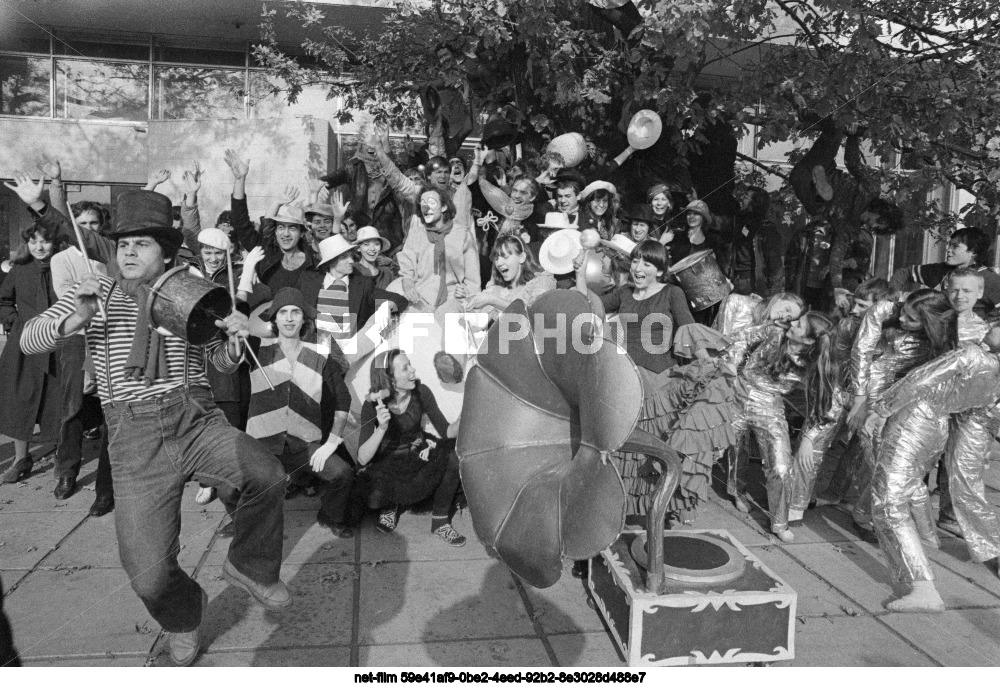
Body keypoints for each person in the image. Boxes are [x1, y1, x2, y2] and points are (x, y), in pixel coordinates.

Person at [15, 187, 290, 666]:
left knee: (265, 474)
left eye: (141, 244)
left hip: (194, 417)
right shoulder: (96, 291)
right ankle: (184, 616)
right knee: (148, 575)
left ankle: (248, 565)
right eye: (123, 244)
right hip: (132, 434)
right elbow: (27, 339)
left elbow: (221, 365)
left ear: (166, 251)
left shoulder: (192, 291)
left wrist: (232, 339)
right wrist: (74, 318)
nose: (128, 252)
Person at [574, 240, 702, 525]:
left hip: (660, 385)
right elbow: (589, 306)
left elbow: (689, 327)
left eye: (647, 263)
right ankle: (622, 513)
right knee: (623, 449)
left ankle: (659, 513)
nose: (639, 268)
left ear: (660, 270)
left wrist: (706, 359)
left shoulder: (673, 293)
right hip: (626, 380)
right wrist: (581, 274)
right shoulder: (624, 293)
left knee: (656, 452)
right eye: (635, 261)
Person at [869, 338, 1000, 611]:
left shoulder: (973, 355)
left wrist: (881, 409)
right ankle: (926, 542)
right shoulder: (990, 370)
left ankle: (922, 586)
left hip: (913, 421)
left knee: (889, 504)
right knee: (912, 488)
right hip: (936, 426)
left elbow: (920, 380)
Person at [844, 289, 954, 543]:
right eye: (904, 312)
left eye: (912, 319)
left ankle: (872, 513)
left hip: (906, 396)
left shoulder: (943, 333)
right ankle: (864, 516)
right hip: (872, 386)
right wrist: (860, 399)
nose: (903, 319)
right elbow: (861, 351)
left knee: (893, 460)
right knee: (874, 453)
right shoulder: (884, 310)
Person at [245, 287, 356, 538]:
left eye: (295, 312)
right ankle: (243, 520)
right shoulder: (255, 348)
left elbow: (342, 398)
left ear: (304, 319)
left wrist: (331, 443)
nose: (289, 318)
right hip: (262, 444)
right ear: (274, 318)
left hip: (303, 444)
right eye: (283, 312)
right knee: (230, 488)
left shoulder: (319, 354)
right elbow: (226, 358)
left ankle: (330, 516)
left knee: (342, 473)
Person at [791, 278, 894, 518]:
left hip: (873, 399)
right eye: (854, 303)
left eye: (862, 305)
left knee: (861, 453)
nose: (855, 309)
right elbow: (833, 360)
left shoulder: (894, 333)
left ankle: (843, 497)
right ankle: (795, 504)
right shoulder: (849, 325)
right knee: (812, 444)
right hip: (840, 393)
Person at [788, 116, 904, 309]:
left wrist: (837, 286)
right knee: (835, 128)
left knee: (815, 207)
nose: (872, 226)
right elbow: (852, 163)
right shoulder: (871, 188)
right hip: (821, 166)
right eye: (878, 223)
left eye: (876, 229)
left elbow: (836, 257)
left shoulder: (850, 228)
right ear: (881, 213)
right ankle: (803, 110)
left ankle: (823, 191)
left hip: (804, 183)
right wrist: (852, 135)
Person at [48, 194, 116, 516]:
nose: (88, 228)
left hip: (109, 337)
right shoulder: (61, 259)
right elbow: (68, 299)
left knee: (110, 411)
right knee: (72, 406)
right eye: (83, 224)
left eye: (94, 223)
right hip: (77, 337)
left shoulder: (109, 257)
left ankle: (106, 487)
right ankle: (67, 471)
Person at [356, 349, 466, 546]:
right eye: (405, 368)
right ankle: (390, 506)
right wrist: (380, 429)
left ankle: (440, 521)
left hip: (418, 454)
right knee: (372, 499)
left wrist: (466, 411)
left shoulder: (422, 392)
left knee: (453, 457)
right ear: (389, 378)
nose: (413, 370)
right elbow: (362, 458)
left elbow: (447, 431)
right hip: (388, 463)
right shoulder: (371, 405)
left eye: (410, 365)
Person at [0, 221, 66, 484]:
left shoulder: (65, 267)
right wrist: (14, 323)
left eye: (45, 241)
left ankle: (64, 457)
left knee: (58, 401)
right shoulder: (20, 269)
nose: (39, 247)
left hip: (57, 343)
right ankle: (21, 458)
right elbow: (4, 300)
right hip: (23, 346)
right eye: (33, 241)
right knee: (20, 400)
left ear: (56, 243)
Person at [396, 185, 481, 313]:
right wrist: (409, 287)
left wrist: (466, 295)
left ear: (443, 207)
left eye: (431, 202)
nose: (425, 207)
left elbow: (473, 280)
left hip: (454, 299)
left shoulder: (463, 235)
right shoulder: (416, 235)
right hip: (421, 298)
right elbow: (407, 272)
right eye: (423, 203)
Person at [890, 227, 1000, 317]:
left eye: (955, 247)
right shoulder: (941, 270)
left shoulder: (990, 279)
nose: (948, 250)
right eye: (949, 245)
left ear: (973, 252)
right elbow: (905, 272)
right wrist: (892, 295)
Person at [466, 234, 556, 320]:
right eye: (496, 258)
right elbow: (480, 324)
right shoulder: (497, 288)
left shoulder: (542, 282)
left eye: (505, 257)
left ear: (521, 257)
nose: (499, 263)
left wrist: (492, 300)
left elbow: (533, 316)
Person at [353, 225, 399, 291]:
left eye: (376, 244)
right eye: (366, 244)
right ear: (358, 248)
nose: (372, 249)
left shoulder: (386, 273)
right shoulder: (352, 271)